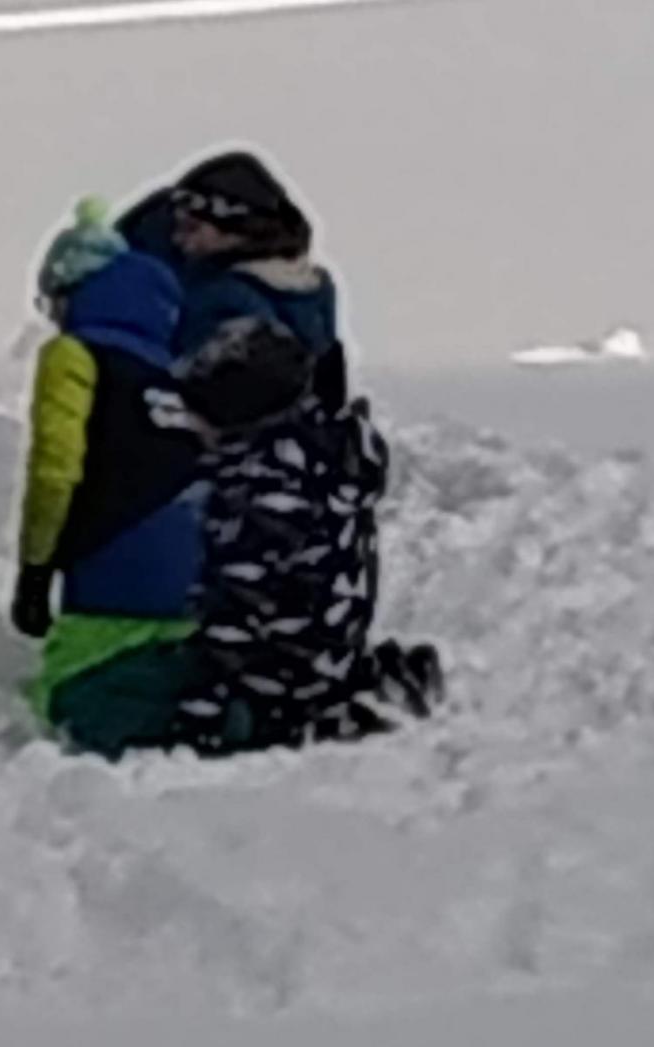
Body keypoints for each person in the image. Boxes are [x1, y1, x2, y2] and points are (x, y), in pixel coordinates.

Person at [44, 316, 442, 758]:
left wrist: (207, 705)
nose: (192, 424)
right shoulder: (322, 455)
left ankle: (259, 728)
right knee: (130, 672)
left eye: (200, 412)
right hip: (325, 659)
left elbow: (241, 620)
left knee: (83, 703)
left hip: (274, 686)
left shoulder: (265, 493)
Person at [11, 199, 212, 755]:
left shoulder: (74, 355)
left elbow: (56, 470)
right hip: (191, 575)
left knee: (64, 709)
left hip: (110, 568)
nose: (52, 314)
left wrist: (35, 568)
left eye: (51, 299)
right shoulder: (173, 368)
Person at [118, 150, 349, 409]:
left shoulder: (220, 298)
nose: (178, 240)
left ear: (239, 229)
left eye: (192, 228)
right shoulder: (311, 289)